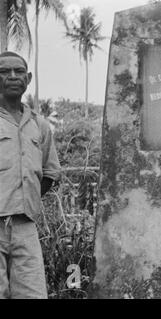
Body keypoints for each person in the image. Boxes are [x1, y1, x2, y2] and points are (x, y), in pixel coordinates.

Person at [0, 51, 61, 299]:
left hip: (25, 225)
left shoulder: (40, 125)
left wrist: (25, 198)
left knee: (33, 294)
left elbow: (50, 173)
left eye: (19, 71)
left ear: (29, 78)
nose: (13, 76)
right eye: (5, 72)